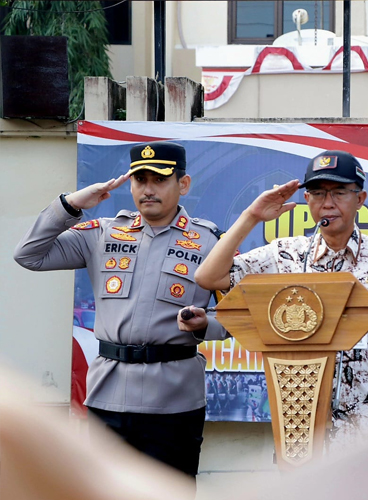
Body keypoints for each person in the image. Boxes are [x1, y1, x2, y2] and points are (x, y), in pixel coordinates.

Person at [194, 150, 368, 452]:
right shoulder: (285, 254)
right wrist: (251, 216)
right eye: (318, 193)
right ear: (307, 200)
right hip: (300, 430)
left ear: (359, 199)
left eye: (339, 193)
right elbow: (208, 277)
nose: (328, 203)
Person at [14, 141, 228, 480]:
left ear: (182, 185)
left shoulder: (210, 242)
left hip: (174, 399)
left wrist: (204, 325)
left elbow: (239, 316)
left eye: (159, 180)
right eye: (140, 180)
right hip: (108, 396)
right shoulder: (103, 233)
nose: (147, 189)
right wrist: (72, 204)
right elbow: (28, 254)